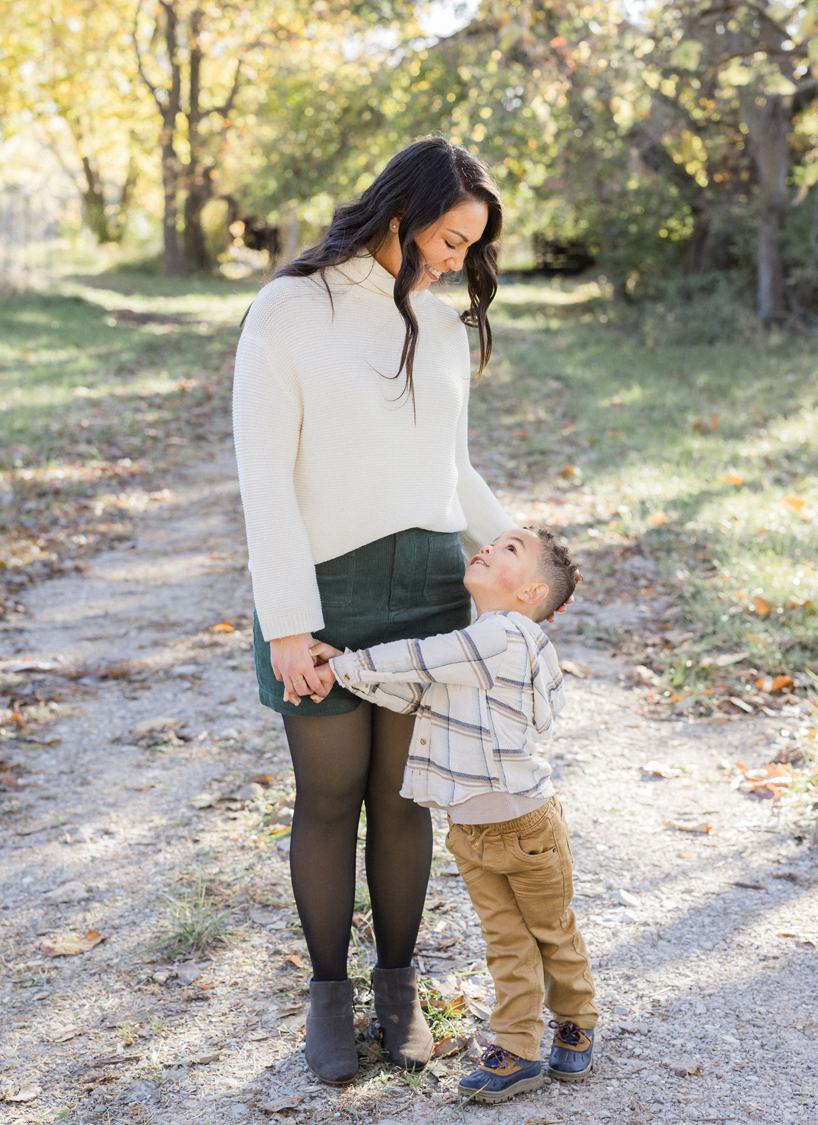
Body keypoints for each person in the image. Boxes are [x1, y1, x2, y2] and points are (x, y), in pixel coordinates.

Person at [232, 137, 568, 1087]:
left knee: (404, 796)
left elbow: (451, 471)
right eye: (451, 239)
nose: (460, 260)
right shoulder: (290, 310)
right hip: (323, 593)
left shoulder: (442, 321)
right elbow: (263, 480)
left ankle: (399, 987)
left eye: (472, 247)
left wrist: (540, 566)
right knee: (331, 797)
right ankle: (329, 995)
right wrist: (288, 624)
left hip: (427, 589)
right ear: (400, 212)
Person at [309, 527, 598, 1104]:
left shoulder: (506, 636)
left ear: (530, 592)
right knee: (506, 942)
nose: (486, 547)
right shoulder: (476, 643)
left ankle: (577, 1021)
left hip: (525, 827)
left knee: (551, 932)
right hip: (471, 832)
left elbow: (419, 657)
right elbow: (415, 692)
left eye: (509, 549)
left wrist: (344, 667)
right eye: (491, 542)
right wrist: (350, 669)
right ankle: (518, 1048)